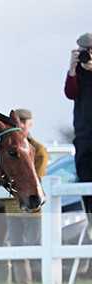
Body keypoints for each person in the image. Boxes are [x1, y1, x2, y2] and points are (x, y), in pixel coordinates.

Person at [5, 108, 48, 284]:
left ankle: (42, 282)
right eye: (18, 122)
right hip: (12, 207)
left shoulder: (38, 149)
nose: (21, 125)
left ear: (30, 124)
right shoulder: (7, 149)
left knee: (35, 246)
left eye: (24, 122)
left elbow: (36, 177)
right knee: (16, 248)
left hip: (32, 207)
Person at [65, 32, 92, 226]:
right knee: (85, 182)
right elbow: (70, 93)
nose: (88, 56)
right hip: (83, 136)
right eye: (85, 51)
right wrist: (72, 70)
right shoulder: (77, 73)